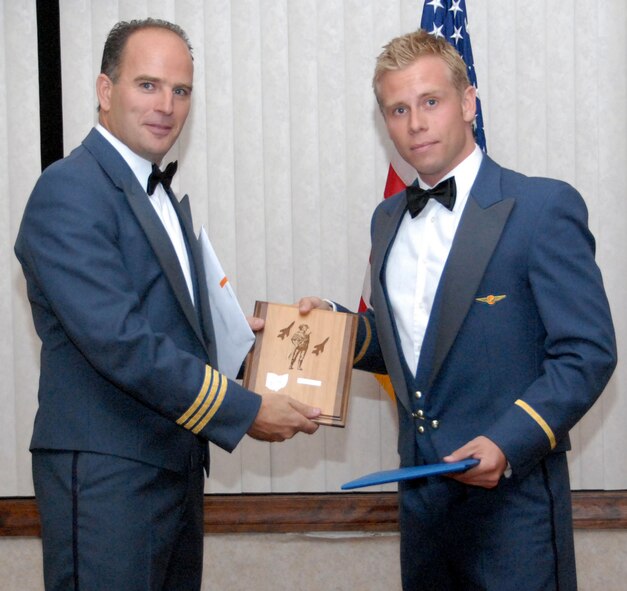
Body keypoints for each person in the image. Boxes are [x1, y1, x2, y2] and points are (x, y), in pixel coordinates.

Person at [300, 30, 616, 590]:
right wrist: (329, 327)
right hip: (423, 510)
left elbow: (587, 351)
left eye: (430, 101)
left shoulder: (542, 207)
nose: (415, 123)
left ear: (468, 102)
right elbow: (409, 348)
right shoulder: (387, 219)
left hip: (513, 507)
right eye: (398, 109)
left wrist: (508, 440)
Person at [15, 18, 320, 591]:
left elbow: (164, 325)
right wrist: (245, 410)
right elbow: (121, 342)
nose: (167, 106)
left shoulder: (157, 196)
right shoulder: (69, 190)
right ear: (106, 92)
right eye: (148, 85)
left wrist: (235, 337)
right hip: (110, 475)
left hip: (173, 467)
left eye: (181, 91)